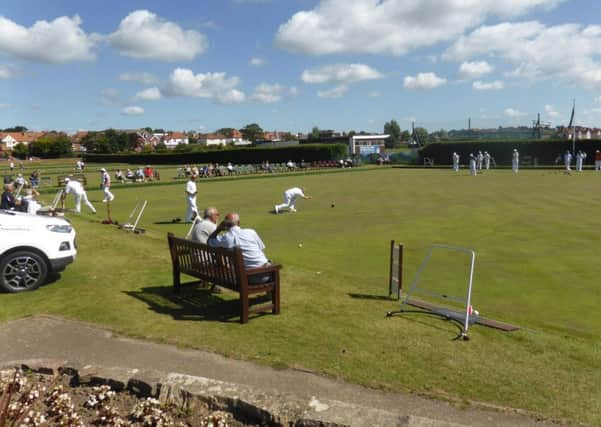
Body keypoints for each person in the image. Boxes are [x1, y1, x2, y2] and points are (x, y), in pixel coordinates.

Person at [208, 212, 272, 283]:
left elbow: (210, 241)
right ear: (238, 223)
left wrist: (218, 229)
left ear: (225, 225)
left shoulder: (226, 238)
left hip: (249, 275)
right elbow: (261, 248)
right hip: (264, 273)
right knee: (269, 263)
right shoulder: (251, 232)